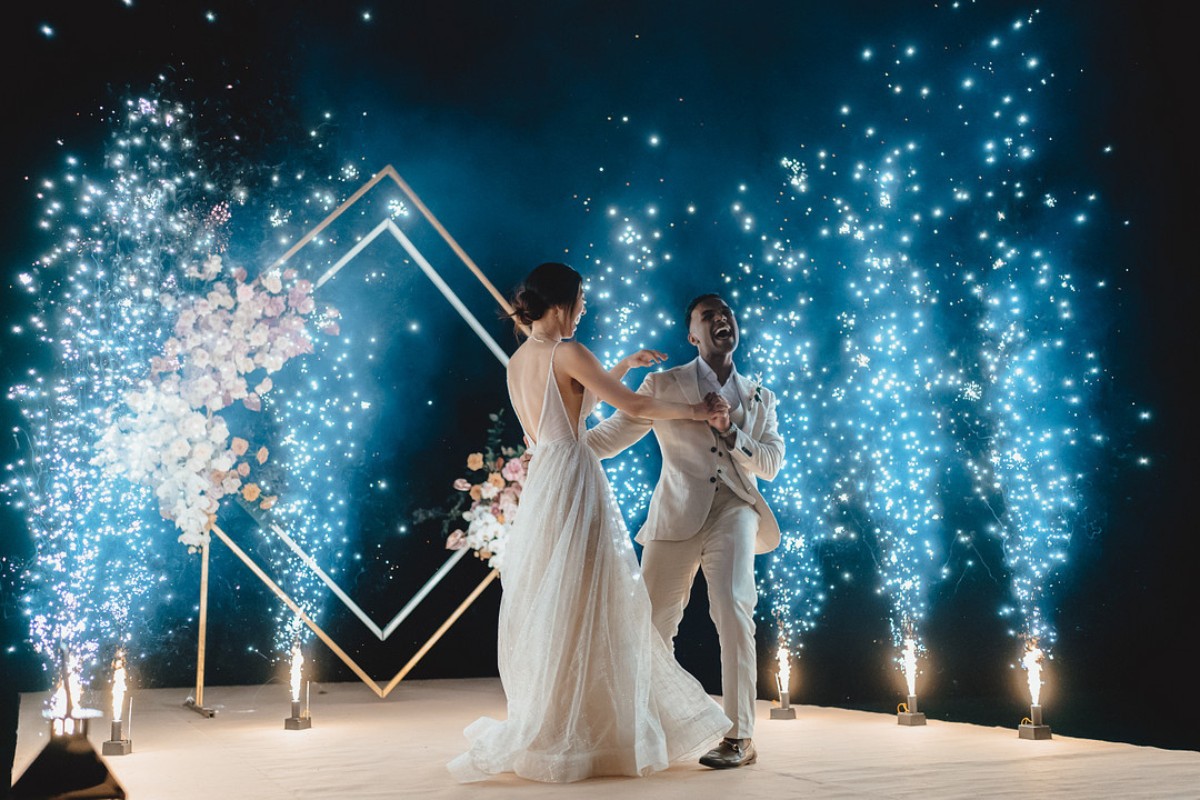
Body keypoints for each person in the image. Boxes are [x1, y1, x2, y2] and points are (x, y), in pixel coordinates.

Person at [448, 263, 731, 784]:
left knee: (562, 600)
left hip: (545, 483)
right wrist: (697, 411)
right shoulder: (569, 351)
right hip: (576, 478)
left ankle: (566, 722)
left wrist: (621, 363)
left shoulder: (517, 361)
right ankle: (586, 729)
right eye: (581, 301)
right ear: (562, 303)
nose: (584, 310)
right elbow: (632, 405)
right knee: (593, 597)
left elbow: (574, 400)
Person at [584, 293, 785, 769]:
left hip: (735, 509)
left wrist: (731, 430)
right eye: (708, 316)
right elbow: (609, 440)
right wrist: (556, 446)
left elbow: (771, 464)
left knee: (734, 609)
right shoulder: (662, 384)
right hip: (674, 513)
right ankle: (651, 726)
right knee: (651, 627)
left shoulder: (761, 396)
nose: (722, 319)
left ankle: (739, 737)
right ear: (693, 335)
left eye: (727, 313)